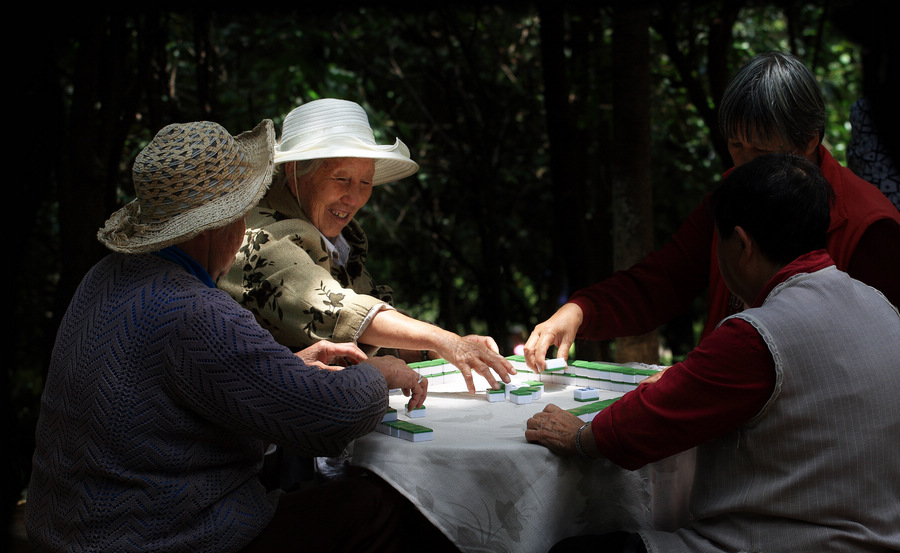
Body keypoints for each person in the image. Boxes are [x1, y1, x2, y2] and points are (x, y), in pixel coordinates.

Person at [24, 120, 452, 553]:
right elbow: (329, 419)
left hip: (68, 531)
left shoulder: (104, 276)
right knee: (375, 506)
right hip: (159, 538)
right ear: (222, 225)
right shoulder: (194, 310)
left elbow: (187, 390)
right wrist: (378, 375)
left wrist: (293, 365)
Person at [525, 153, 900, 552]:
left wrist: (580, 435)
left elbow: (647, 424)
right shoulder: (881, 306)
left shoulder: (756, 335)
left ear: (741, 244)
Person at [523, 51, 900, 371]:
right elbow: (662, 282)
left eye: (762, 153)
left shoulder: (870, 227)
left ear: (809, 142)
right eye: (736, 145)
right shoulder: (732, 198)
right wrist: (579, 311)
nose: (746, 165)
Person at [220, 98, 514, 394]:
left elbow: (365, 332)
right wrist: (440, 338)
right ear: (297, 175)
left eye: (365, 182)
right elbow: (336, 307)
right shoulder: (260, 235)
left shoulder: (335, 237)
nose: (354, 198)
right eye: (341, 179)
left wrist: (430, 350)